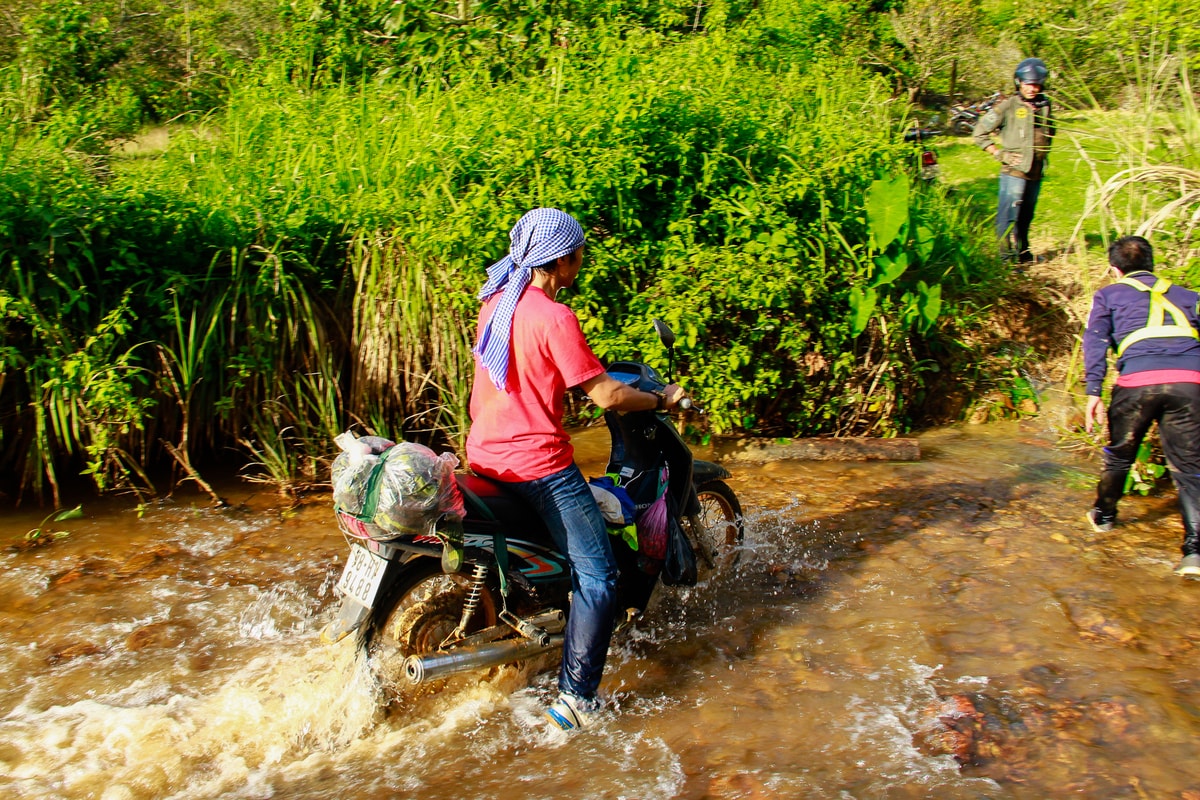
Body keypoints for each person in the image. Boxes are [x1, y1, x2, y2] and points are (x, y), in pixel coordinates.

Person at [466, 207, 686, 729]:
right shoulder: (554, 316)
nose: (582, 259)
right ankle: (576, 700)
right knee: (601, 575)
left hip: (485, 454)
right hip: (537, 465)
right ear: (560, 260)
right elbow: (608, 394)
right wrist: (663, 401)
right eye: (579, 252)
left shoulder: (497, 301)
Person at [1083, 235, 1200, 576]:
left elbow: (1096, 339)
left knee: (1120, 453)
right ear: (1151, 264)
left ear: (1114, 269)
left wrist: (1093, 390)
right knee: (1190, 467)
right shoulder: (1187, 295)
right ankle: (1194, 552)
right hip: (1190, 382)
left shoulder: (1108, 294)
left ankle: (1104, 516)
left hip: (1138, 382)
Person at [972, 57, 1056, 264]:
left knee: (1026, 216)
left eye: (1036, 84)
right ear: (1019, 82)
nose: (1032, 88)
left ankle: (1023, 254)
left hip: (1035, 170)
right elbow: (979, 133)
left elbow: (1049, 131)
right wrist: (1000, 154)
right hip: (1014, 171)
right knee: (1009, 215)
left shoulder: (1045, 106)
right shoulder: (1007, 106)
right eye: (1028, 83)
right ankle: (1005, 259)